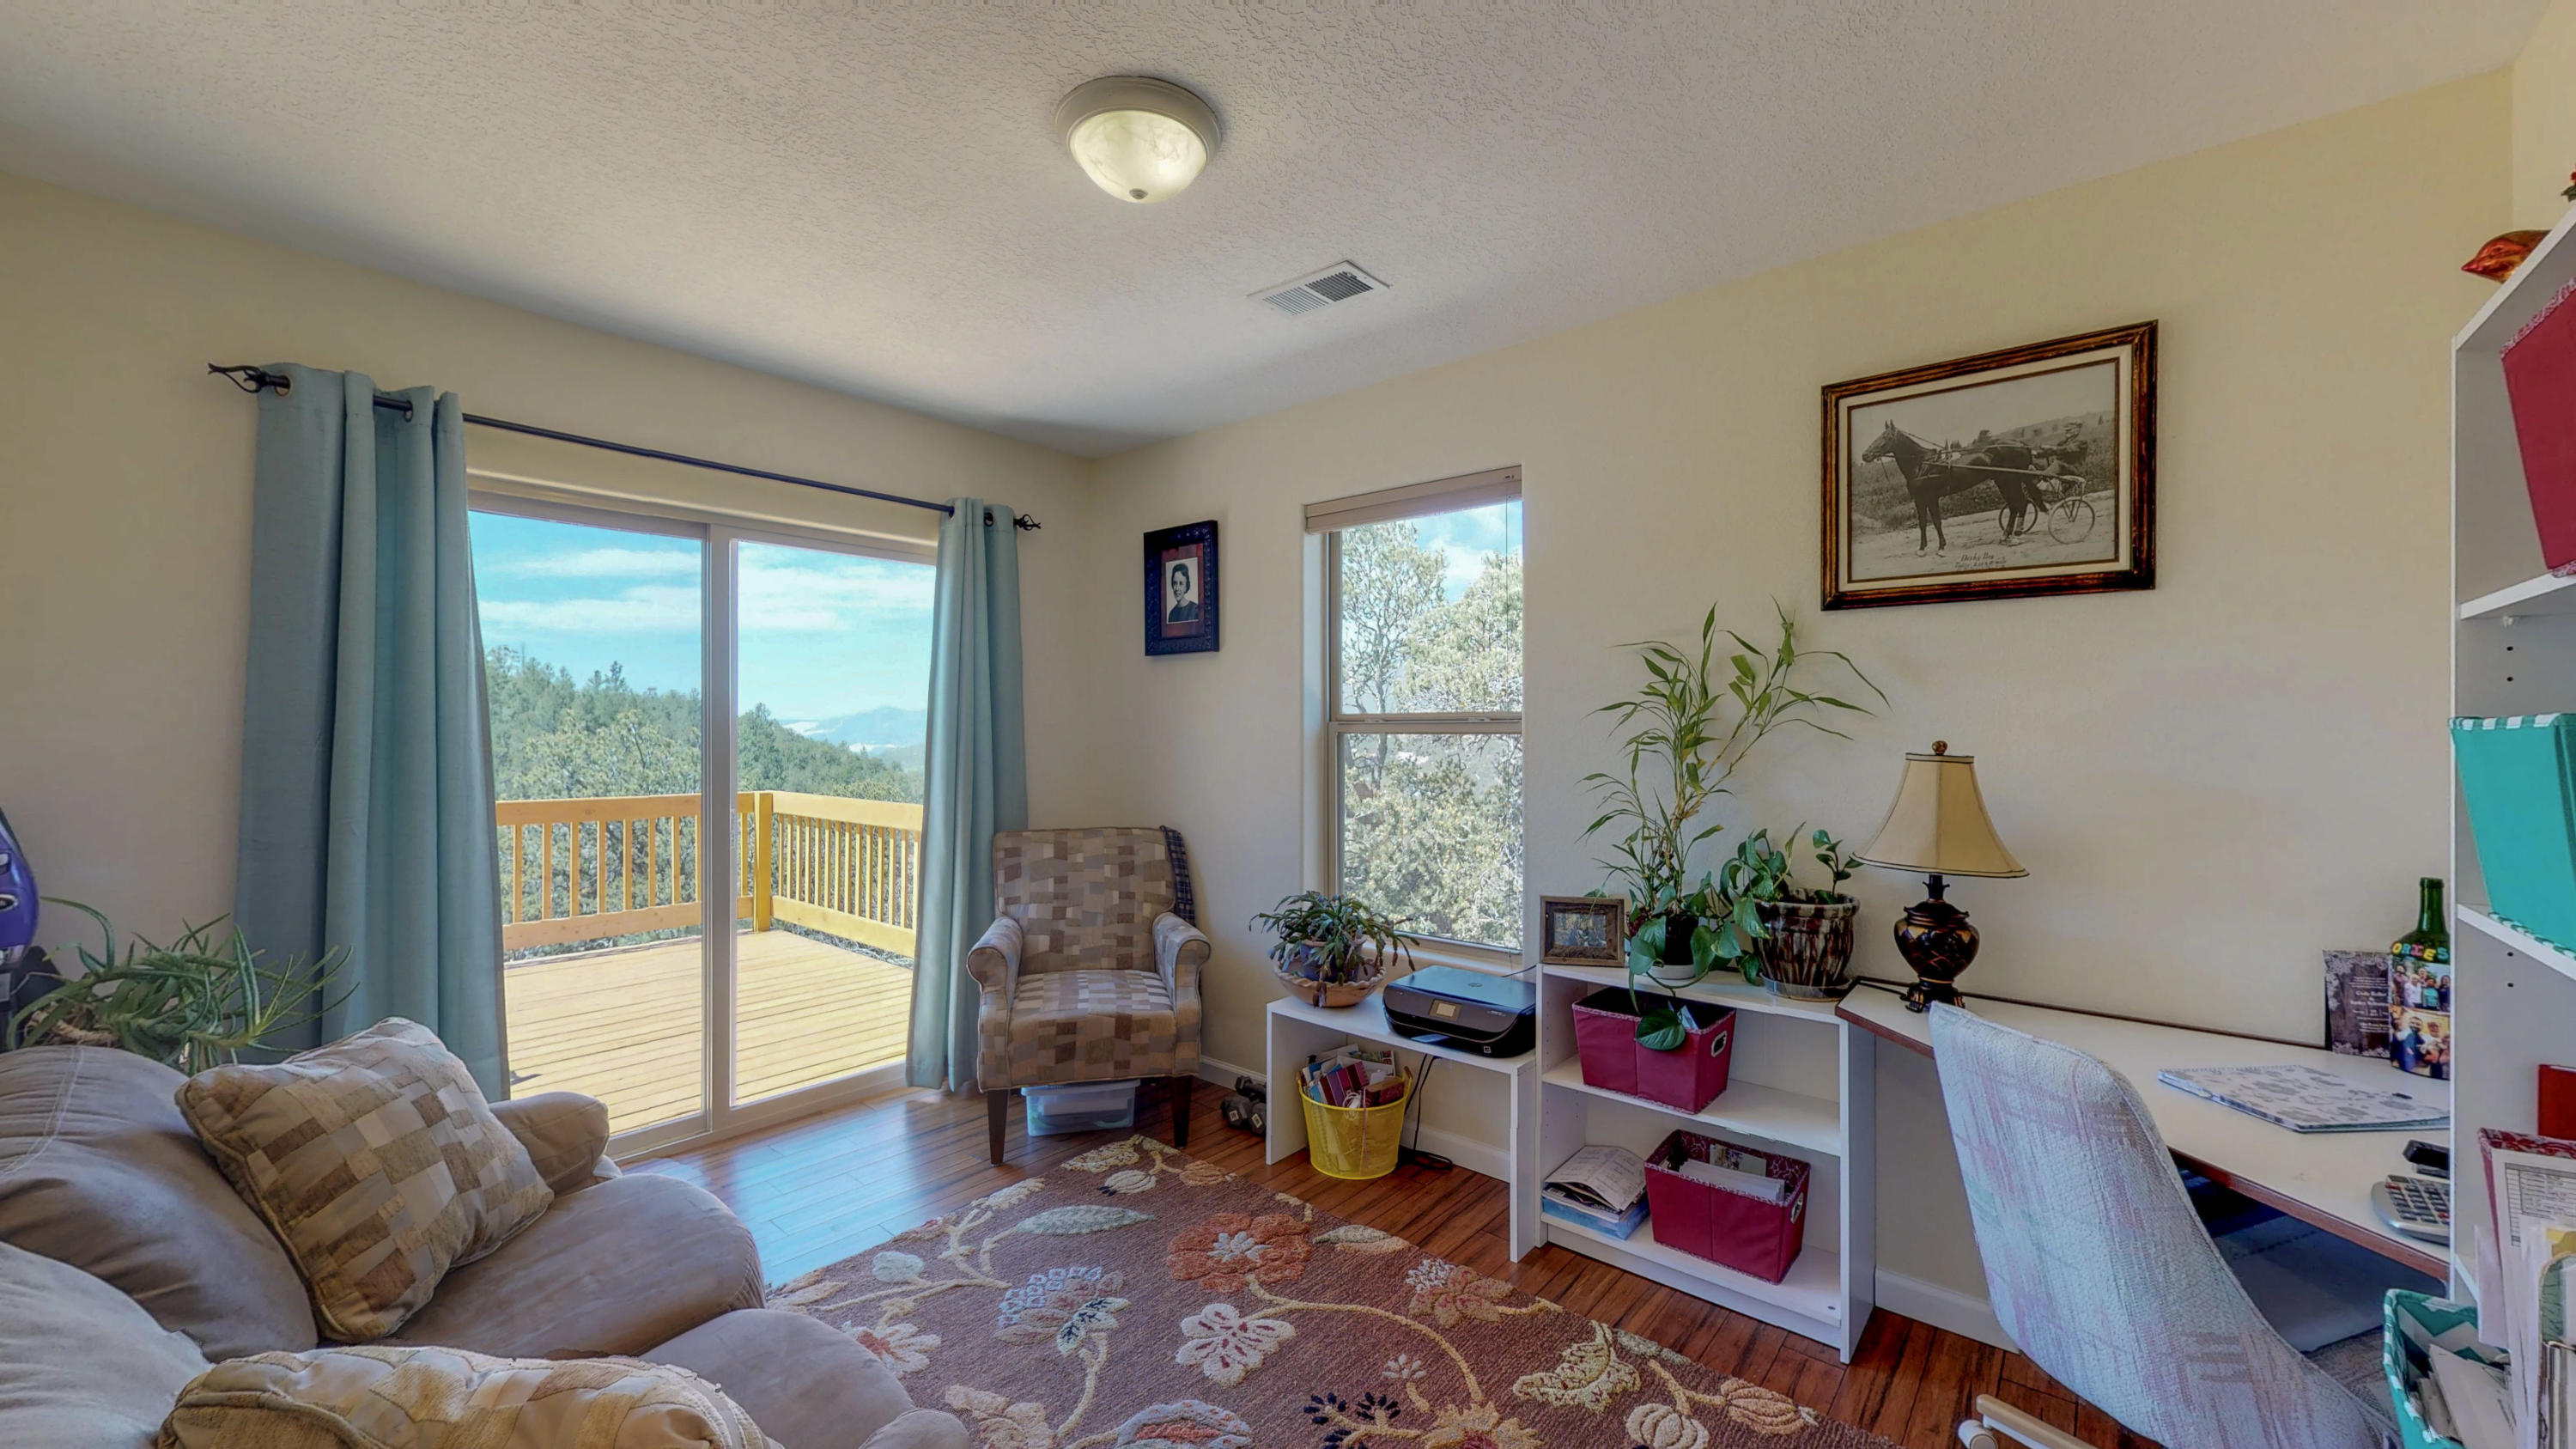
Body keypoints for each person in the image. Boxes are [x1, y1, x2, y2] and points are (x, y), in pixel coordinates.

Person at [1165, 560, 1200, 625]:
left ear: (1186, 586)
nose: (1177, 588)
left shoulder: (1195, 610)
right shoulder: (1172, 614)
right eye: (1175, 583)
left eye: (1181, 583)